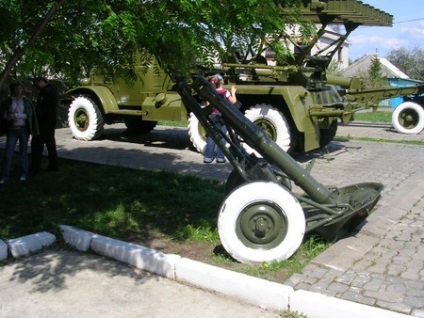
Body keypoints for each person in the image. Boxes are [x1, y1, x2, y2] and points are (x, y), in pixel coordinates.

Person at [0, 82, 39, 184]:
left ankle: (23, 174)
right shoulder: (8, 101)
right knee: (8, 153)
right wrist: (7, 116)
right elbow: (3, 113)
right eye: (16, 89)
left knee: (23, 153)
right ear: (12, 90)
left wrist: (17, 116)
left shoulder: (26, 101)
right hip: (12, 130)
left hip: (23, 130)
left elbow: (29, 115)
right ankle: (4, 176)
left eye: (20, 88)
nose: (18, 91)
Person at [203, 74, 237, 164]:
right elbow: (234, 102)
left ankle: (208, 157)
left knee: (211, 137)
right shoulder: (225, 92)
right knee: (222, 138)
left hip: (213, 116)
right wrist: (233, 92)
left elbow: (207, 105)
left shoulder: (211, 92)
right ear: (222, 82)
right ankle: (220, 158)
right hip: (223, 116)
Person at [30, 77, 59, 174]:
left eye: (37, 84)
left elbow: (42, 108)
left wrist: (37, 119)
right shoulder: (53, 90)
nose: (37, 87)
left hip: (43, 122)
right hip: (51, 121)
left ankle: (35, 168)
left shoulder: (45, 92)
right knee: (51, 144)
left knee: (37, 145)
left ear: (41, 82)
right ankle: (54, 165)